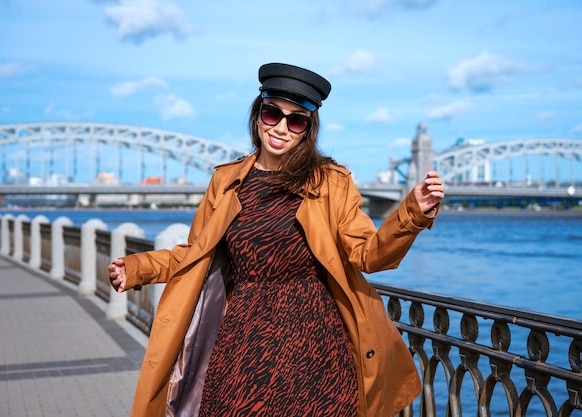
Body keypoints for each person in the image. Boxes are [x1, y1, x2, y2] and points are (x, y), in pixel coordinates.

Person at [108, 62, 445, 417]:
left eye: (296, 120)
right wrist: (137, 267)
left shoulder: (330, 181)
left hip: (316, 344)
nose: (282, 128)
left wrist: (412, 212)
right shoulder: (226, 181)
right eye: (273, 114)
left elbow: (368, 255)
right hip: (243, 338)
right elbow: (194, 255)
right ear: (258, 115)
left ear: (307, 129)